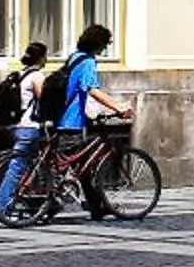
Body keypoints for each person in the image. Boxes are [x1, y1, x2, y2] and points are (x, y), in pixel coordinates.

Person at [47, 22, 133, 221]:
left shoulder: (74, 57)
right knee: (68, 166)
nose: (105, 48)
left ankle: (95, 206)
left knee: (83, 167)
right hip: (72, 122)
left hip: (63, 118)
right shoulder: (87, 63)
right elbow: (91, 89)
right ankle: (50, 201)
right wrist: (118, 107)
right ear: (98, 43)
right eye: (105, 44)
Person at [0, 41, 50, 221]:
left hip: (15, 126)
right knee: (17, 168)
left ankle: (41, 205)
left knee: (35, 165)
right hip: (30, 127)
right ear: (41, 57)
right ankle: (0, 209)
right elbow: (43, 100)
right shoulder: (37, 76)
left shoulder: (20, 75)